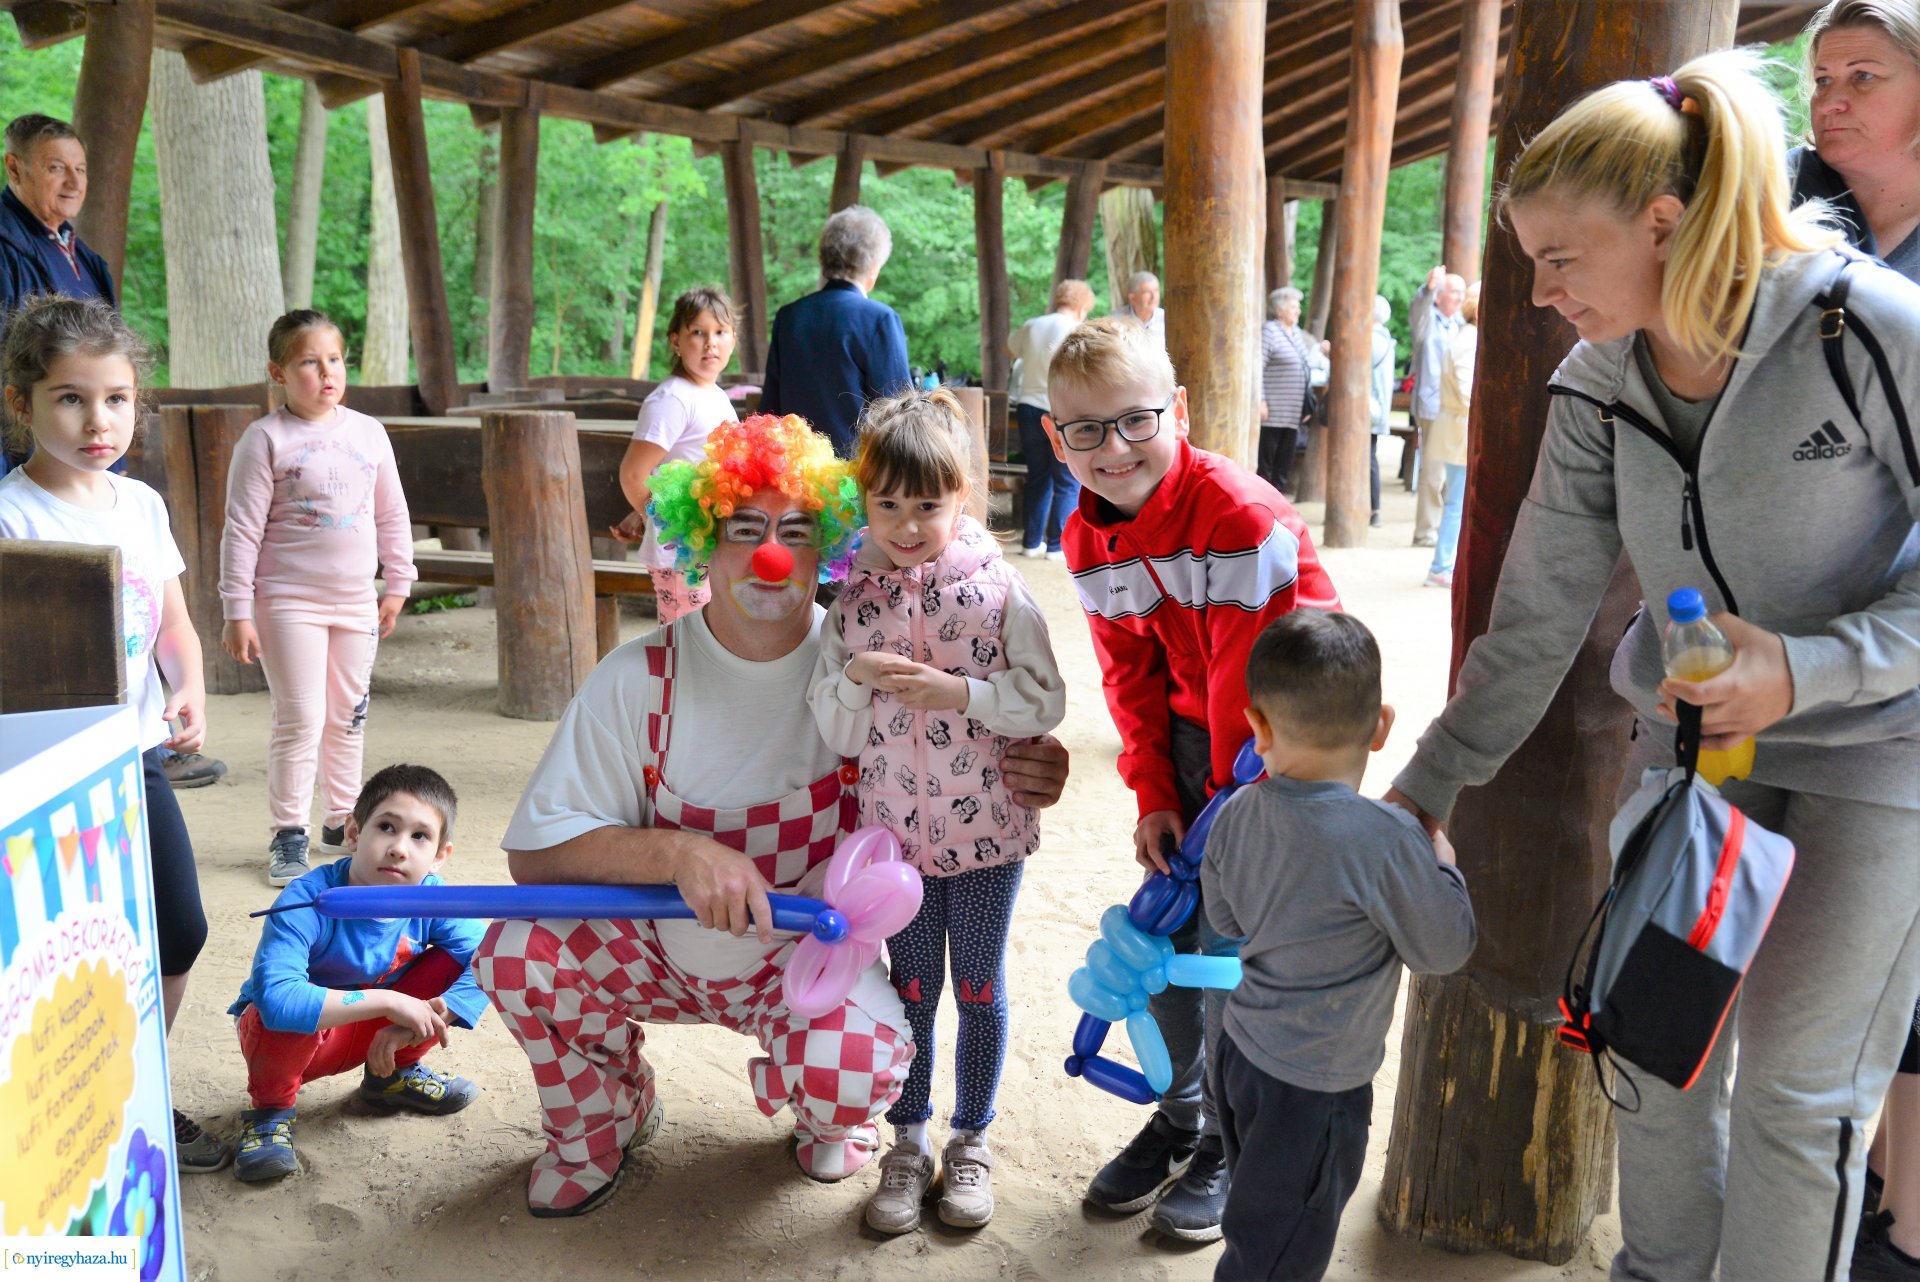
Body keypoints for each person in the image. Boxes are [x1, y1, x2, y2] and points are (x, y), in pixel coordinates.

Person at [1383, 51, 1920, 1282]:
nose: (1538, 293)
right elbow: (1534, 617)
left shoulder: (1867, 327)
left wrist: (1811, 666)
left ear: (1666, 222)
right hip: (1701, 757)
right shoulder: (1598, 382)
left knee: (1799, 1096)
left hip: (1883, 752)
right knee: (1654, 1051)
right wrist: (1426, 787)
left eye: (1561, 258)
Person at [473, 412, 1072, 1218]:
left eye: (795, 529)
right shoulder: (636, 676)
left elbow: (966, 743)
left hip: (802, 965)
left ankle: (833, 1110)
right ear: (702, 542)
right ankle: (603, 1117)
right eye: (744, 528)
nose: (770, 554)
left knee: (857, 1067)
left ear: (830, 541)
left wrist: (1029, 757)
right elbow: (535, 859)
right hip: (652, 950)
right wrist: (679, 855)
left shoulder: (872, 665)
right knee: (517, 951)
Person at [1044, 317, 1342, 1242]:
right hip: (1192, 747)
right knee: (1160, 944)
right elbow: (1128, 676)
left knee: (1231, 961)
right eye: (1084, 430)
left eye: (1135, 421)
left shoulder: (1238, 519)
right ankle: (1182, 1117)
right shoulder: (1089, 539)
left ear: (1177, 409)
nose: (1113, 448)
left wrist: (1227, 815)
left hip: (1277, 748)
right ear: (1056, 439)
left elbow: (1252, 688)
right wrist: (1155, 797)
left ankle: (1227, 1140)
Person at [808, 387, 1066, 1234]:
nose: (908, 522)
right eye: (888, 503)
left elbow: (1044, 699)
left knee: (980, 989)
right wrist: (851, 676)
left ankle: (971, 1142)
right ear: (865, 502)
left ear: (965, 496)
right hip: (896, 856)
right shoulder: (851, 603)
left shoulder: (999, 591)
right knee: (913, 992)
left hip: (989, 837)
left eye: (929, 503)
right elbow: (837, 732)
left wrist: (962, 693)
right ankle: (908, 1142)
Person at [0, 295, 228, 1173]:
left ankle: (137, 1086)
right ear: (22, 402)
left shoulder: (139, 506)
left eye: (118, 398)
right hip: (39, 781)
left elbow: (172, 624)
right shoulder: (14, 520)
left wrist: (192, 686)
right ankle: (56, 1119)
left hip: (133, 765)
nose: (99, 421)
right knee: (49, 952)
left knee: (178, 929)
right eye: (70, 398)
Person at [1203, 610, 1475, 1281]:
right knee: (1279, 1256)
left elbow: (1226, 919)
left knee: (1257, 1214)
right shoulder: (1386, 839)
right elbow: (1444, 950)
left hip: (1240, 1055)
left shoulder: (1237, 811)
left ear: (1258, 726)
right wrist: (1442, 861)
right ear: (1381, 727)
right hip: (1316, 1088)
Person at [1789, 6, 1920, 1276]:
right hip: (1814, 671)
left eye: (1864, 77)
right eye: (1822, 78)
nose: (1831, 99)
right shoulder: (1805, 247)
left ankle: (1905, 1228)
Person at [1, 113, 224, 789]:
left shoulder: (83, 255)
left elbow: (172, 621)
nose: (70, 182)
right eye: (53, 166)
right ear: (14, 169)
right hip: (41, 760)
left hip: (137, 748)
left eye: (79, 168)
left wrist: (189, 685)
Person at [219, 309, 416, 888]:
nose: (326, 372)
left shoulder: (367, 432)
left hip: (355, 600)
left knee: (348, 716)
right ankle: (288, 833)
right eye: (309, 362)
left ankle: (343, 820)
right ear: (278, 372)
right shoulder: (266, 439)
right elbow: (242, 530)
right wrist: (238, 609)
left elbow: (392, 512)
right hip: (287, 602)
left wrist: (398, 582)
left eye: (334, 360)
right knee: (301, 716)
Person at [228, 764, 487, 1182]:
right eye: (386, 826)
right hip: (300, 1041)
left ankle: (393, 1075)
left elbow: (487, 956)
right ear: (352, 833)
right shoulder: (307, 898)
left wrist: (417, 1023)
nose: (400, 848)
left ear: (440, 856)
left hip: (375, 1031)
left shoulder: (430, 896)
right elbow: (278, 1002)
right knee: (288, 1005)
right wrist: (391, 1001)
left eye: (420, 836)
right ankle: (270, 1112)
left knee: (463, 956)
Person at [610, 285, 738, 621]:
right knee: (685, 642)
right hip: (681, 552)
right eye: (698, 332)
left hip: (710, 544)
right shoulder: (673, 399)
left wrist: (642, 513)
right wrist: (658, 521)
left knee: (712, 638)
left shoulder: (716, 395)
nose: (711, 342)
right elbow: (633, 475)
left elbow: (673, 472)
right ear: (676, 340)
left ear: (733, 339)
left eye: (720, 332)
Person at [760, 206, 911, 458]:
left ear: (824, 259)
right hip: (856, 479)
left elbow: (770, 412)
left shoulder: (789, 317)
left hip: (794, 474)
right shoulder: (879, 319)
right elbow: (900, 417)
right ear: (873, 265)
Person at [1008, 278, 1095, 559]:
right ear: (1081, 306)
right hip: (1061, 408)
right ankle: (1058, 545)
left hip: (1028, 406)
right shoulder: (1077, 330)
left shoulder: (1032, 325)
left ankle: (1031, 543)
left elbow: (1010, 348)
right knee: (1067, 479)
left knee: (1038, 476)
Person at [1424, 282, 1479, 588]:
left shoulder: (1466, 336)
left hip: (1458, 429)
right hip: (1461, 430)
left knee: (1458, 500)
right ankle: (1442, 565)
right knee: (1457, 502)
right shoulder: (1469, 340)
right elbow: (1466, 387)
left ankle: (1446, 563)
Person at [1408, 266, 1466, 547]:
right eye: (1454, 291)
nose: (1459, 297)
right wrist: (1428, 288)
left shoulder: (1463, 326)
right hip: (1432, 408)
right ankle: (1426, 531)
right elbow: (1418, 307)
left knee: (1456, 473)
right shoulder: (1427, 322)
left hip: (1458, 412)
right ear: (1440, 296)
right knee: (1433, 474)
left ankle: (1448, 530)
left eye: (1462, 292)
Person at [1257, 287, 1312, 495]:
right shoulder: (1270, 331)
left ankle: (1279, 506)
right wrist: (1261, 401)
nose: (1298, 310)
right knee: (1267, 464)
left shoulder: (1296, 334)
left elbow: (1305, 366)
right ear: (1279, 310)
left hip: (1293, 412)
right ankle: (1264, 505)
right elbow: (1258, 368)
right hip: (1272, 412)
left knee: (1284, 464)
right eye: (1293, 306)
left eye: (1298, 306)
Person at [1368, 294, 1397, 530]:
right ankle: (1374, 508)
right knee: (1371, 458)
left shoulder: (1370, 340)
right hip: (1378, 407)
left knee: (1366, 460)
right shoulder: (1387, 340)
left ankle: (1372, 507)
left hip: (1366, 409)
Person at [1110, 270, 1167, 352]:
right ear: (1132, 298)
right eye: (1147, 292)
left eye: (1156, 290)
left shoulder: (1167, 320)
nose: (1154, 297)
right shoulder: (1115, 321)